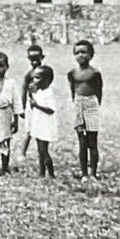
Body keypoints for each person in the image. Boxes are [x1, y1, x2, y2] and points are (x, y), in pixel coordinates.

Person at [67, 39, 104, 179]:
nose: (80, 55)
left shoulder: (95, 73)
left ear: (91, 55)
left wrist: (94, 105)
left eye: (84, 52)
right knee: (82, 142)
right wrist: (77, 106)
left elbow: (99, 91)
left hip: (91, 105)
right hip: (78, 104)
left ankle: (93, 173)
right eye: (77, 53)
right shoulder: (72, 73)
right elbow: (72, 91)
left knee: (92, 141)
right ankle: (84, 173)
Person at [26, 64, 58, 177]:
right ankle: (42, 172)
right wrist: (30, 94)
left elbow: (51, 110)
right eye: (34, 77)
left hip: (45, 125)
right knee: (40, 150)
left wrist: (37, 106)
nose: (34, 80)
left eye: (37, 77)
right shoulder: (38, 91)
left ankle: (51, 172)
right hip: (38, 123)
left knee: (43, 150)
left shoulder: (48, 92)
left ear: (47, 80)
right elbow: (32, 104)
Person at [18, 43, 45, 166]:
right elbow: (23, 90)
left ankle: (42, 153)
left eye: (37, 58)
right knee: (29, 131)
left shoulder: (45, 72)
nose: (34, 61)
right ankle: (22, 153)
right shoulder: (29, 74)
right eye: (31, 59)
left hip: (41, 105)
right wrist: (22, 107)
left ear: (42, 57)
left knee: (42, 130)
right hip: (31, 106)